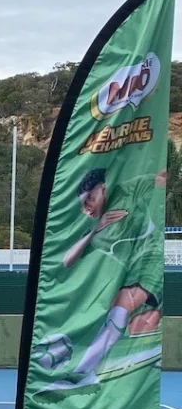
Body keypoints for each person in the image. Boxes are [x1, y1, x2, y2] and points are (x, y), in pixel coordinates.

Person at [41, 168, 167, 392]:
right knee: (126, 318)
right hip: (129, 272)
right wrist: (96, 230)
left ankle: (82, 373)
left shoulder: (128, 189)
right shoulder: (97, 230)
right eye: (83, 202)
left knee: (121, 305)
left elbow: (161, 177)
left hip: (150, 259)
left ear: (103, 188)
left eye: (90, 197)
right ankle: (88, 370)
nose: (87, 205)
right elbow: (67, 260)